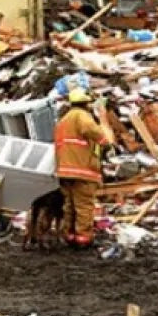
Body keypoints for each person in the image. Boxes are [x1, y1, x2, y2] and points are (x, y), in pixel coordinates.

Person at [53, 88, 106, 248]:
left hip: (64, 170)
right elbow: (93, 132)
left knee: (69, 204)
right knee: (84, 204)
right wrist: (105, 141)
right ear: (85, 103)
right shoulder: (82, 116)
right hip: (82, 170)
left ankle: (68, 233)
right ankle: (83, 236)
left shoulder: (63, 120)